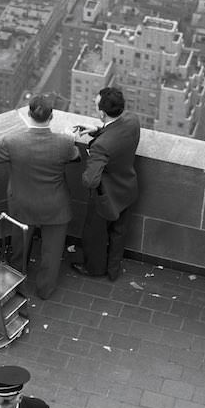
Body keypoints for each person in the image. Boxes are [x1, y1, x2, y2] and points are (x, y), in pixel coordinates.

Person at [0, 94, 80, 302]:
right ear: (51, 117)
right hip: (56, 206)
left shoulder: (13, 142)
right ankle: (45, 290)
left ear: (28, 114)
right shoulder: (64, 143)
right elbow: (76, 155)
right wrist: (68, 136)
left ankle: (17, 286)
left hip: (22, 204)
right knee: (52, 254)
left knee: (19, 249)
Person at [71, 87, 142, 281]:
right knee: (119, 232)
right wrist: (98, 130)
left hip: (106, 196)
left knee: (94, 234)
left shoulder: (101, 147)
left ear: (102, 113)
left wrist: (90, 157)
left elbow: (90, 180)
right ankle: (113, 269)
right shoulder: (132, 121)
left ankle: (94, 268)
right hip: (127, 188)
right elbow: (118, 130)